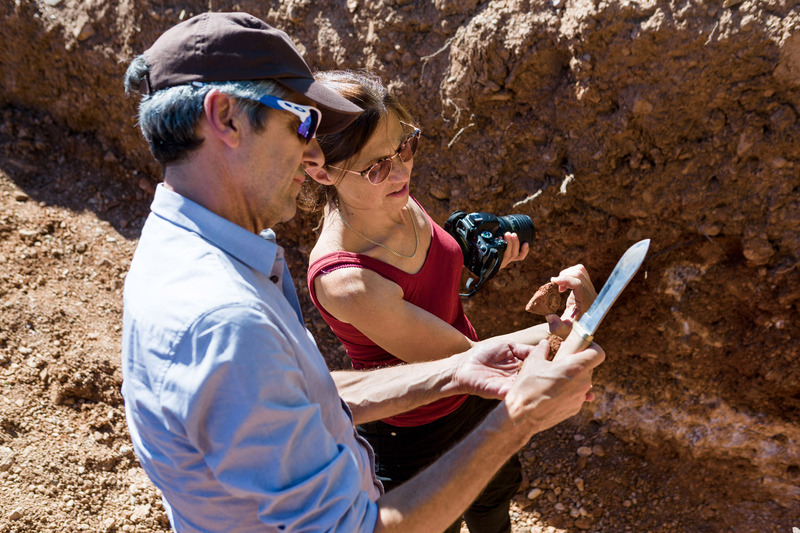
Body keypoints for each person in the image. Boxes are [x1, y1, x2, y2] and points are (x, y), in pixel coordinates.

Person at [121, 11, 605, 533]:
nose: (311, 152)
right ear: (227, 119)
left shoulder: (201, 254)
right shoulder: (226, 321)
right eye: (299, 123)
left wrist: (456, 371)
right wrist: (522, 417)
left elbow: (300, 397)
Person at [301, 70, 597, 533]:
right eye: (376, 165)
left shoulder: (392, 198)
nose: (401, 171)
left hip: (473, 396)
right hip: (415, 431)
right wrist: (573, 322)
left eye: (406, 147)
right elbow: (463, 358)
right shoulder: (348, 280)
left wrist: (470, 257)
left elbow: (431, 292)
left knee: (494, 502)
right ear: (319, 170)